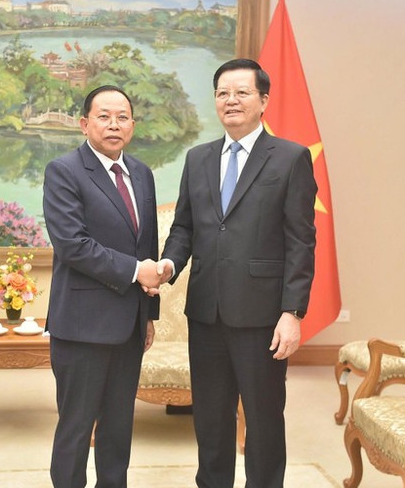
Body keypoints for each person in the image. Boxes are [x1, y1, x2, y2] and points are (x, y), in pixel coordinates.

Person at [158, 59, 317, 488]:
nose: (231, 100)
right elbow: (185, 228)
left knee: (264, 419)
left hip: (263, 316)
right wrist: (169, 264)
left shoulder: (290, 158)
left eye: (242, 92)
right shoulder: (198, 158)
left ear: (263, 101)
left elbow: (300, 241)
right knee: (210, 419)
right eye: (223, 93)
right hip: (206, 312)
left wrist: (292, 312)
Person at [42, 85, 165, 488]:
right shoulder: (64, 171)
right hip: (81, 326)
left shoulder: (143, 174)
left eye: (122, 117)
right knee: (76, 428)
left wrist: (148, 316)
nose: (114, 124)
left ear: (133, 124)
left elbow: (146, 246)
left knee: (118, 428)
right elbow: (72, 245)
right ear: (84, 123)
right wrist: (135, 272)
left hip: (129, 325)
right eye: (104, 116)